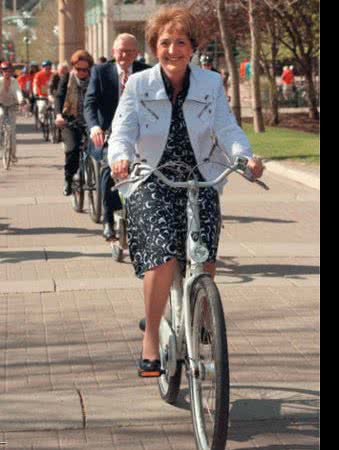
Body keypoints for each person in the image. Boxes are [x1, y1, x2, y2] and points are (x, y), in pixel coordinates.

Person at [108, 5, 264, 377]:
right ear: (154, 47)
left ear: (192, 47)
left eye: (180, 42)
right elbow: (123, 130)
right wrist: (120, 158)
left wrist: (245, 157)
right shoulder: (139, 84)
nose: (172, 49)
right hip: (152, 178)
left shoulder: (209, 83)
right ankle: (150, 339)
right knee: (162, 258)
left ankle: (201, 318)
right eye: (165, 42)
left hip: (200, 177)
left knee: (204, 255)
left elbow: (226, 128)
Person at [84, 33, 150, 240]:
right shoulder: (101, 72)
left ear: (136, 53)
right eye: (120, 51)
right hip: (107, 134)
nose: (124, 55)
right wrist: (94, 127)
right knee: (109, 167)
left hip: (140, 134)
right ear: (113, 52)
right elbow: (90, 103)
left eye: (129, 51)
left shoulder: (147, 73)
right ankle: (109, 219)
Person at [54, 50, 95, 197]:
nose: (82, 72)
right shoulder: (66, 78)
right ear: (73, 67)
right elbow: (59, 97)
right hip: (70, 120)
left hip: (91, 121)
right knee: (72, 149)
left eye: (85, 69)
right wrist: (59, 115)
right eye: (78, 69)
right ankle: (69, 178)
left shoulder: (95, 79)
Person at [0, 61, 26, 163]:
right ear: (1, 71)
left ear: (11, 71)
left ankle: (13, 155)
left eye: (9, 70)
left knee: (12, 132)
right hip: (1, 105)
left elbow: (18, 92)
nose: (7, 72)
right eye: (4, 70)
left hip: (12, 105)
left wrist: (21, 101)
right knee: (1, 114)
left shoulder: (14, 81)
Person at [33, 60, 54, 126]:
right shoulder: (38, 75)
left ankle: (54, 121)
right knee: (42, 106)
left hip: (51, 95)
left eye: (49, 68)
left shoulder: (53, 74)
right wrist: (35, 93)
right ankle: (42, 120)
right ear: (43, 68)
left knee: (54, 107)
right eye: (46, 68)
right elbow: (35, 85)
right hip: (41, 95)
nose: (47, 69)